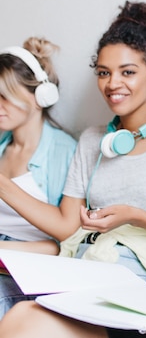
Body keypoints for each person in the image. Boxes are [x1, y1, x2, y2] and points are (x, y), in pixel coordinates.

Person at [0, 1, 146, 337]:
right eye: (104, 73)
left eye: (127, 72)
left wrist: (134, 215)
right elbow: (66, 227)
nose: (112, 84)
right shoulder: (94, 140)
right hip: (86, 273)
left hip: (145, 282)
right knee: (20, 317)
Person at [0, 37, 77, 315]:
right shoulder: (2, 145)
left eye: (5, 96)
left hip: (30, 270)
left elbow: (65, 242)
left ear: (39, 97)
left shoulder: (63, 151)